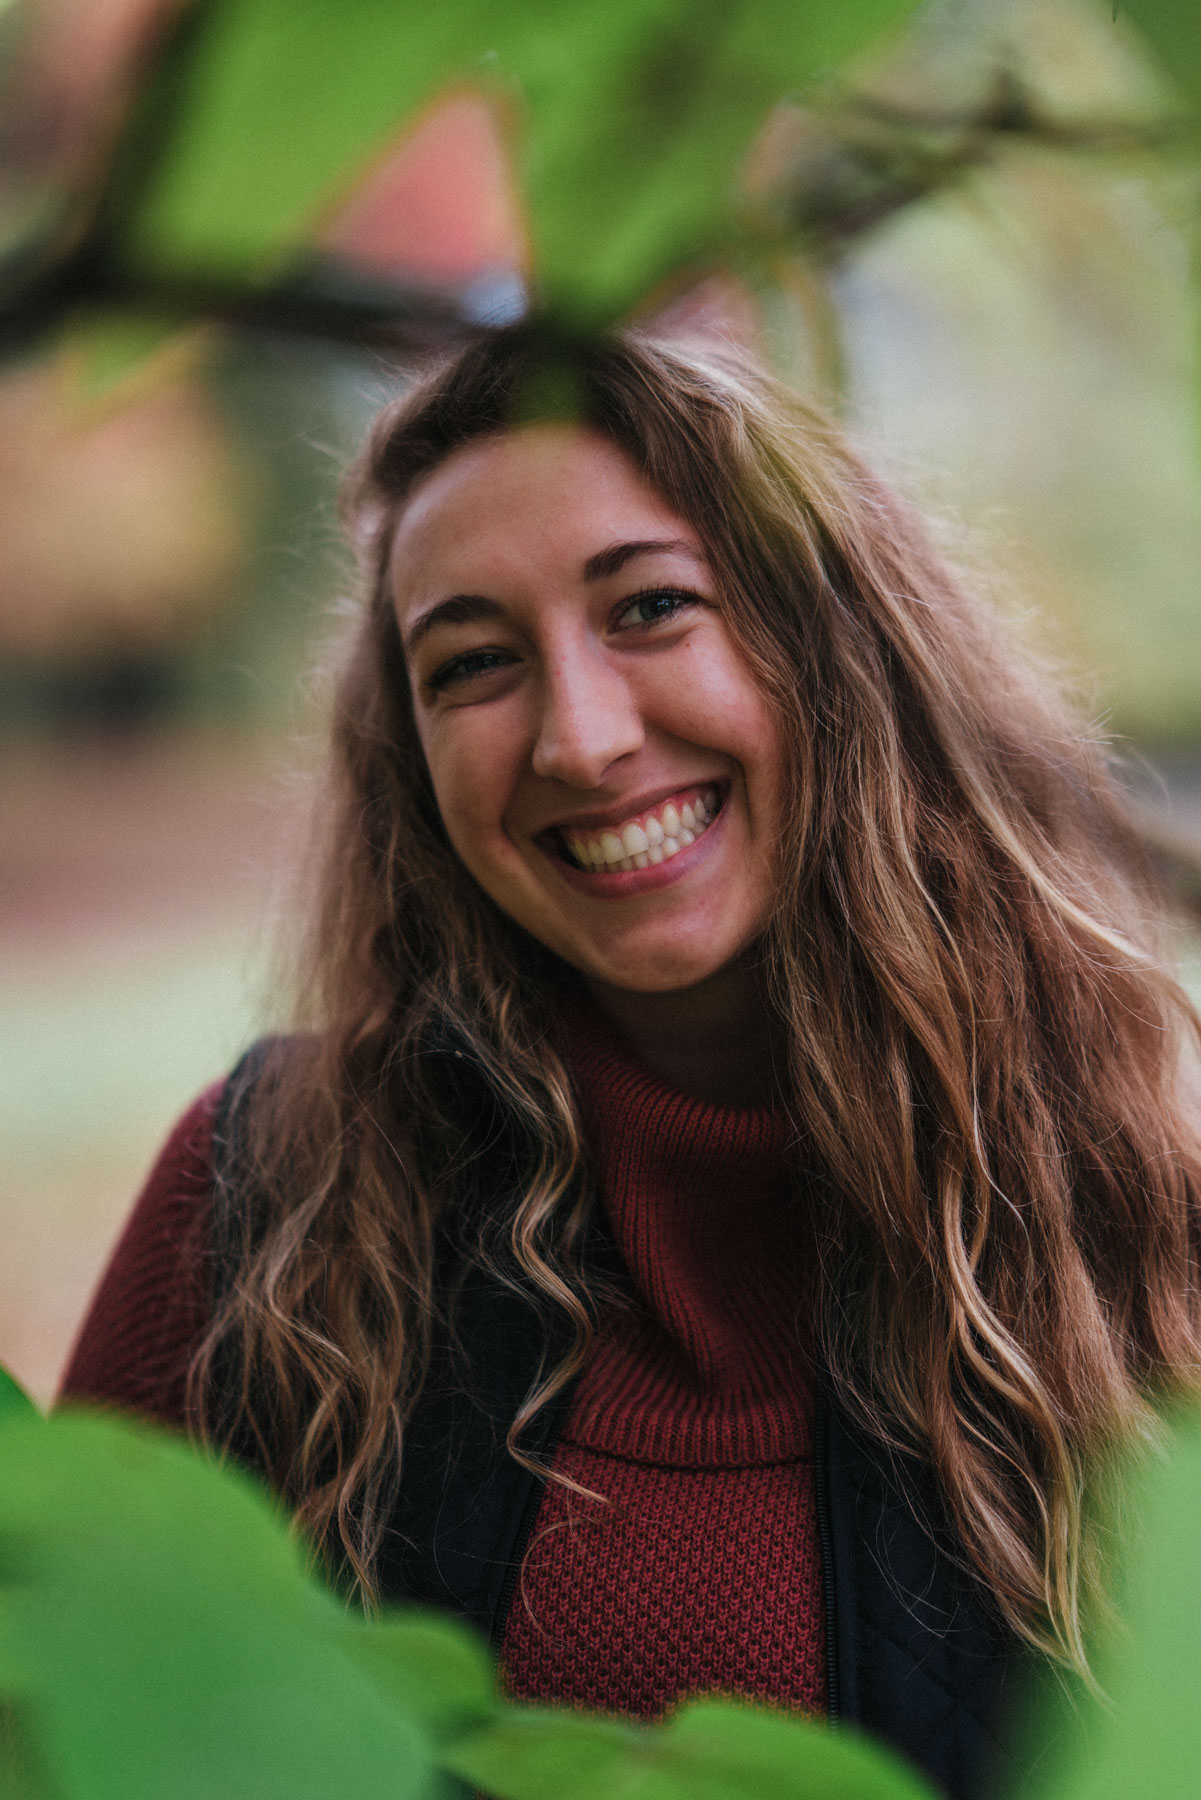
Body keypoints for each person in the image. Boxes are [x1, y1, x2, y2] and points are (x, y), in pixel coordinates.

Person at [62, 324, 1201, 1799]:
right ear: (409, 763)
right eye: (471, 664)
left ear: (836, 647)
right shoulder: (261, 1209)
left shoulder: (1149, 1232)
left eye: (652, 606)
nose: (581, 741)